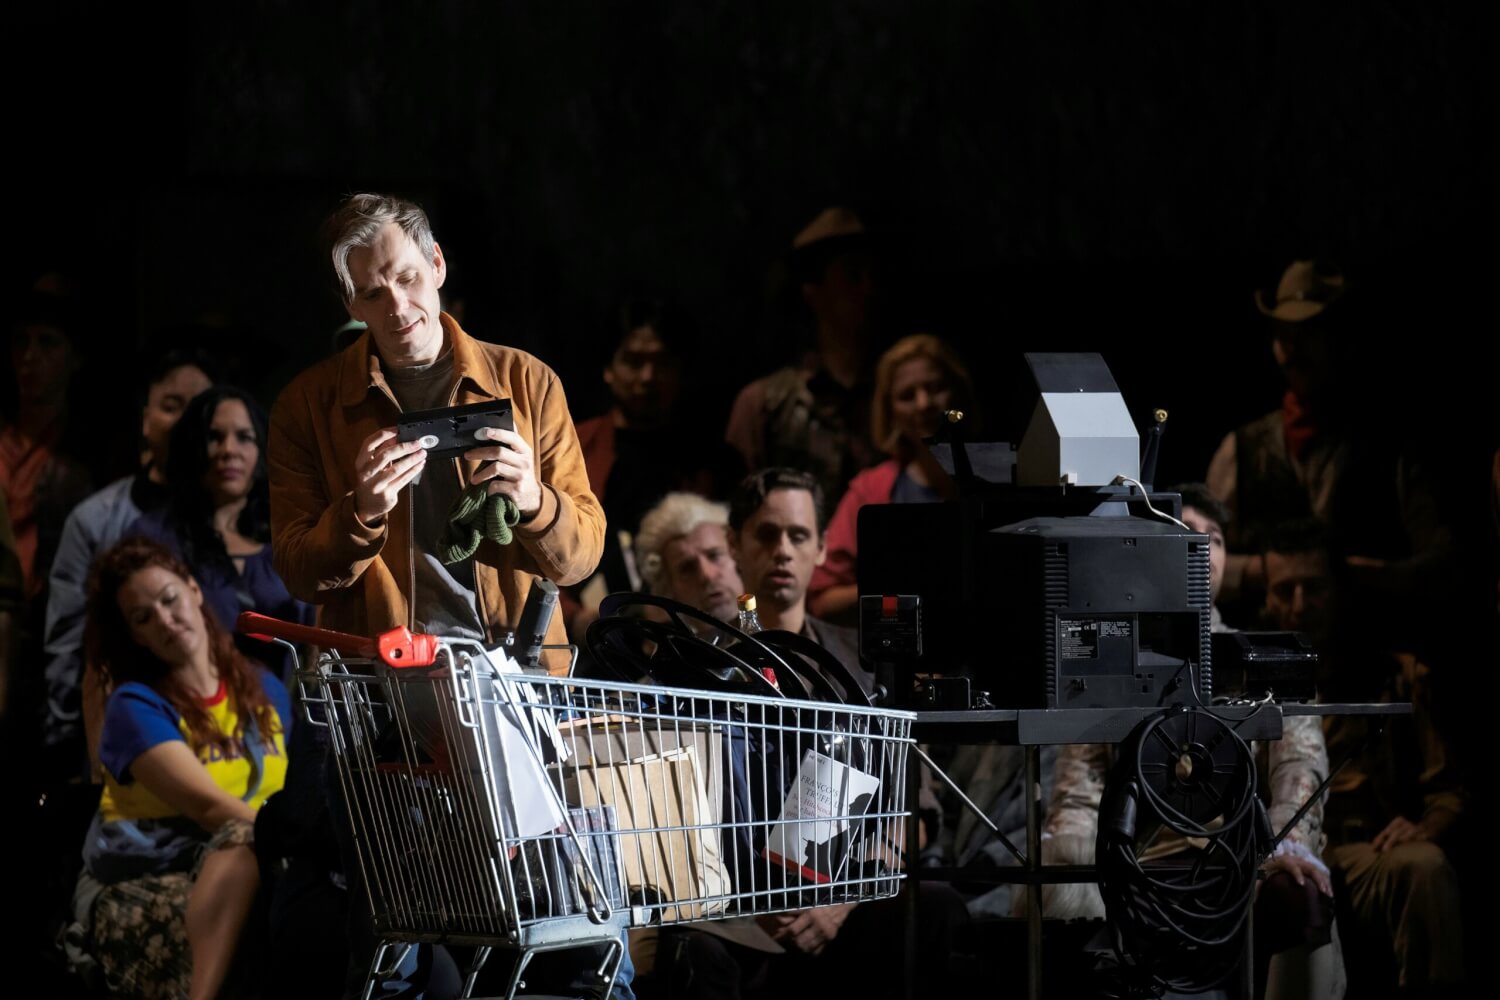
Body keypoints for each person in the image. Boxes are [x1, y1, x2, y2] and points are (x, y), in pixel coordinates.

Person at [267, 192, 617, 998]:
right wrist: (360, 514)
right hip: (381, 697)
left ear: (437, 267)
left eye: (405, 277)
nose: (397, 305)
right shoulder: (310, 407)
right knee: (395, 933)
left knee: (560, 920)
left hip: (518, 691)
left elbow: (581, 552)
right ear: (350, 305)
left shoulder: (524, 381)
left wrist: (533, 499)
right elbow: (298, 568)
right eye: (371, 292)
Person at [1041, 492, 1343, 1000]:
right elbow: (1079, 794)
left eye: (1215, 536)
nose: (1200, 542)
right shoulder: (1110, 663)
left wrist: (1287, 843)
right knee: (1060, 900)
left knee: (1301, 897)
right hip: (1140, 868)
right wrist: (1070, 871)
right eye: (1182, 528)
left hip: (1241, 865)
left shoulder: (1261, 658)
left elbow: (1300, 763)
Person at [71, 537, 290, 1000]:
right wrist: (297, 853)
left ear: (193, 589)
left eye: (169, 599)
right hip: (146, 883)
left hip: (258, 871)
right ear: (135, 636)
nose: (165, 620)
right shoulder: (135, 706)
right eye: (144, 617)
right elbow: (211, 808)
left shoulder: (265, 688)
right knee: (243, 841)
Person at [44, 350, 215, 768]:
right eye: (172, 407)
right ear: (145, 419)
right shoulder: (95, 521)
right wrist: (73, 748)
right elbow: (68, 645)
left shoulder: (244, 520)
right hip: (136, 742)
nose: (186, 422)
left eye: (201, 410)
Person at [567, 298, 743, 638]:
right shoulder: (575, 449)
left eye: (662, 363)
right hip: (596, 638)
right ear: (609, 368)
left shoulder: (714, 459)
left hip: (707, 634)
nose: (648, 378)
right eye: (634, 362)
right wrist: (575, 618)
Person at [128, 386, 311, 686]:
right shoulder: (154, 537)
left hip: (289, 721)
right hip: (187, 715)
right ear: (193, 446)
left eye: (244, 437)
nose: (229, 450)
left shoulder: (291, 533)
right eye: (214, 437)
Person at [724, 207, 882, 511]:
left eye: (873, 276)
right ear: (813, 291)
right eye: (852, 276)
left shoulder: (898, 396)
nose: (868, 289)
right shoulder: (766, 403)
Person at [808, 334, 972, 623]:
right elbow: (822, 598)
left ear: (957, 392)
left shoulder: (1003, 477)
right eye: (907, 395)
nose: (924, 404)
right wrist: (897, 590)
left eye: (935, 388)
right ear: (890, 411)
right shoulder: (871, 490)